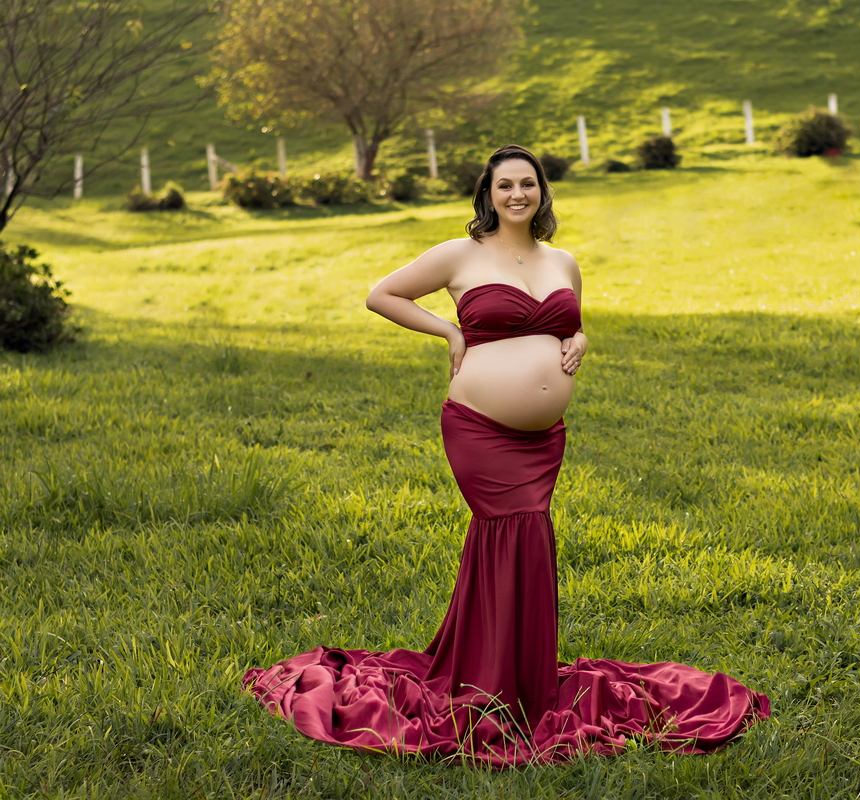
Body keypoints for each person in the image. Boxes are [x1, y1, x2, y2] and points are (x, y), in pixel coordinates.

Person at [243, 144, 769, 766]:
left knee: (531, 539)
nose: (517, 195)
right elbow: (382, 295)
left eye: (527, 184)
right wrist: (448, 329)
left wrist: (580, 340)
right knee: (509, 533)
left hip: (544, 438)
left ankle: (522, 680)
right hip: (480, 428)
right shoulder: (461, 254)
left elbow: (569, 323)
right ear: (487, 195)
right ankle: (487, 687)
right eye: (504, 186)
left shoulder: (564, 261)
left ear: (542, 192)